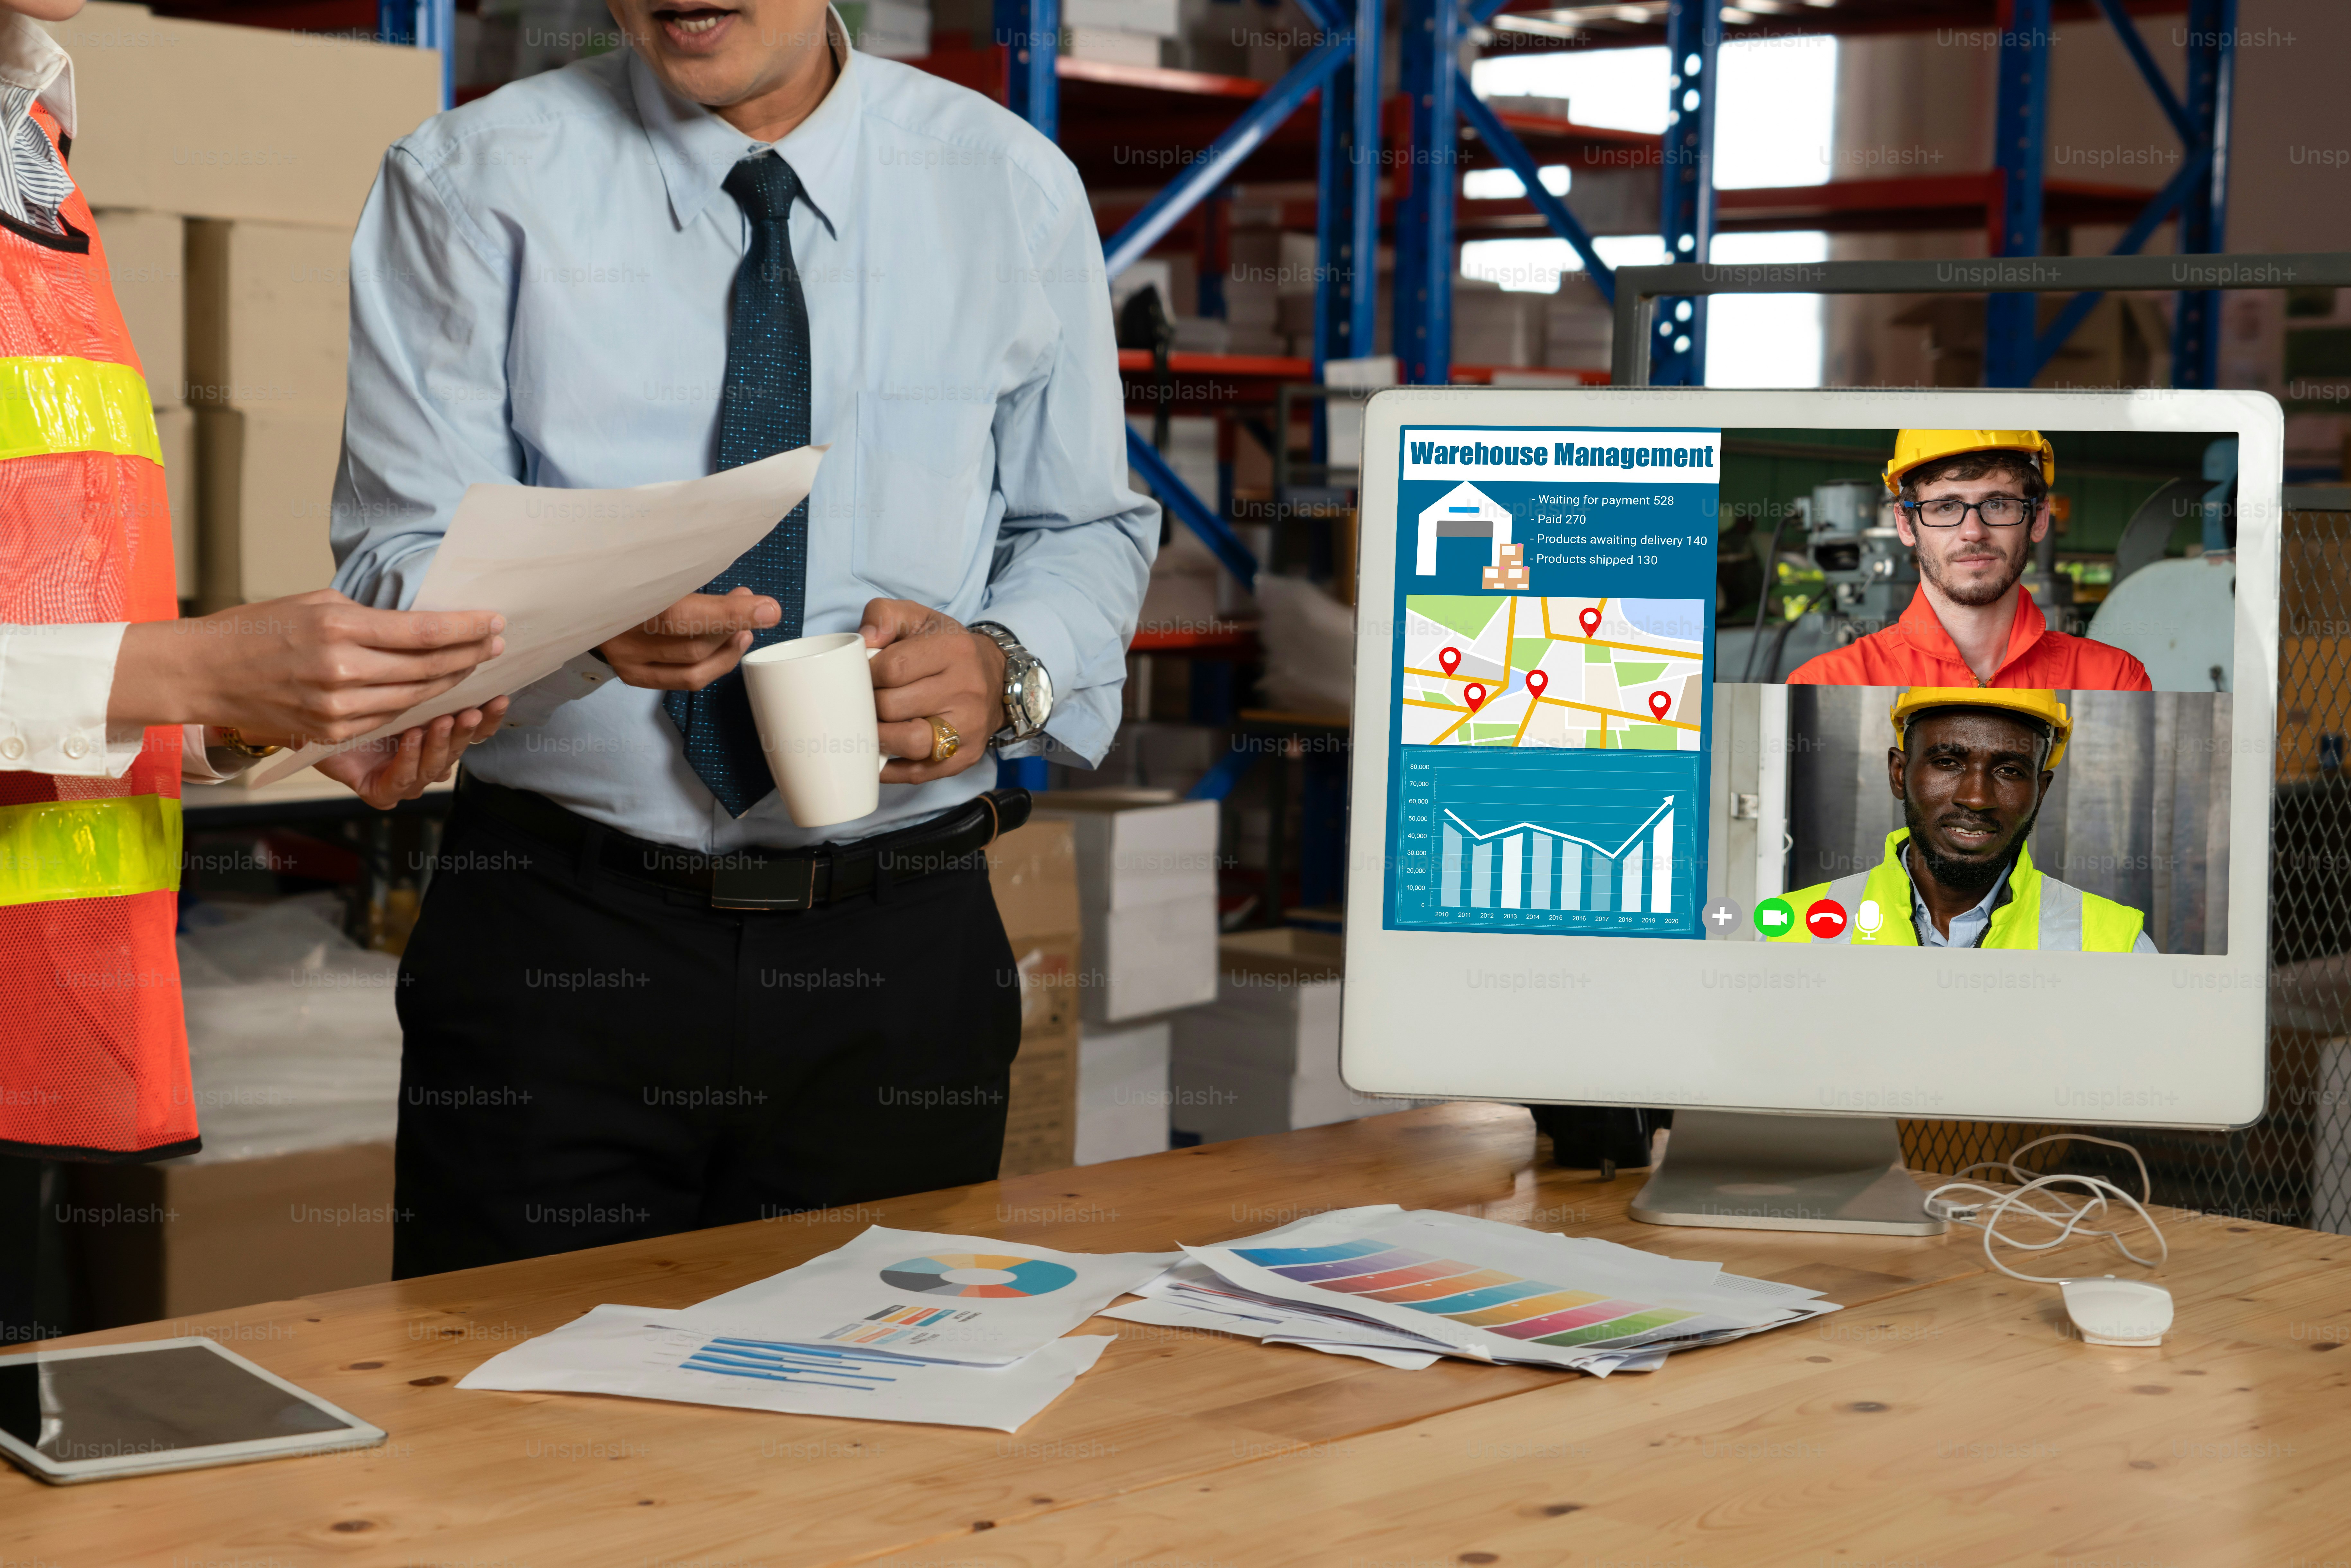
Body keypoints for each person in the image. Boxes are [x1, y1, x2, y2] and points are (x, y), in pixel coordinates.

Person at [330, 0, 1155, 1274]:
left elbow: (1085, 524)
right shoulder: (468, 182)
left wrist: (1005, 666)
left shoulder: (1005, 188)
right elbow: (394, 565)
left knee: (862, 1439)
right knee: (499, 1436)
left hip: (897, 954)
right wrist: (585, 621)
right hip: (559, 946)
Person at [0, 0, 507, 1345]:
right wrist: (192, 661)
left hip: (30, 1011)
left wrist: (235, 706)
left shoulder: (31, 135)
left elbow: (45, 602)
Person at [1768, 688, 2156, 951]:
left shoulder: (2116, 942)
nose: (1976, 797)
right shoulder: (1793, 929)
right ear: (1899, 773)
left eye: (2009, 770)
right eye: (1948, 763)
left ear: (2042, 790)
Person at [1786, 430, 2152, 691]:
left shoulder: (2114, 679)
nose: (1973, 531)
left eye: (1997, 504)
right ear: (1906, 524)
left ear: (2038, 520)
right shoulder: (1828, 683)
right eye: (1946, 507)